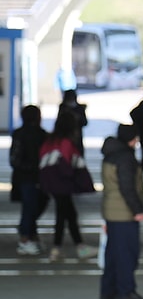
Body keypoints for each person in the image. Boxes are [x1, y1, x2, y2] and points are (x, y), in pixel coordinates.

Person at [99, 124, 143, 299]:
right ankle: (126, 292)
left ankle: (108, 290)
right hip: (124, 213)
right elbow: (127, 187)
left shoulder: (110, 155)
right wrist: (137, 209)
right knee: (128, 254)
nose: (137, 142)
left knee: (113, 254)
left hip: (111, 211)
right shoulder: (126, 159)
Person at [39, 112, 98, 262]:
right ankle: (67, 248)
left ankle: (69, 248)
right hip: (62, 184)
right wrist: (76, 178)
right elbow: (66, 166)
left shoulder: (50, 140)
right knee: (65, 216)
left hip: (51, 183)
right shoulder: (65, 142)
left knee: (68, 215)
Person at [11, 105, 49, 255]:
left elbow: (14, 159)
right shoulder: (41, 134)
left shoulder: (19, 134)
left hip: (24, 177)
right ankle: (25, 238)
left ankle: (29, 234)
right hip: (33, 177)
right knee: (31, 207)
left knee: (30, 207)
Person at [58, 89, 88, 155]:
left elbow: (85, 122)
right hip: (65, 136)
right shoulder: (63, 107)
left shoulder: (79, 108)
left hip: (76, 137)